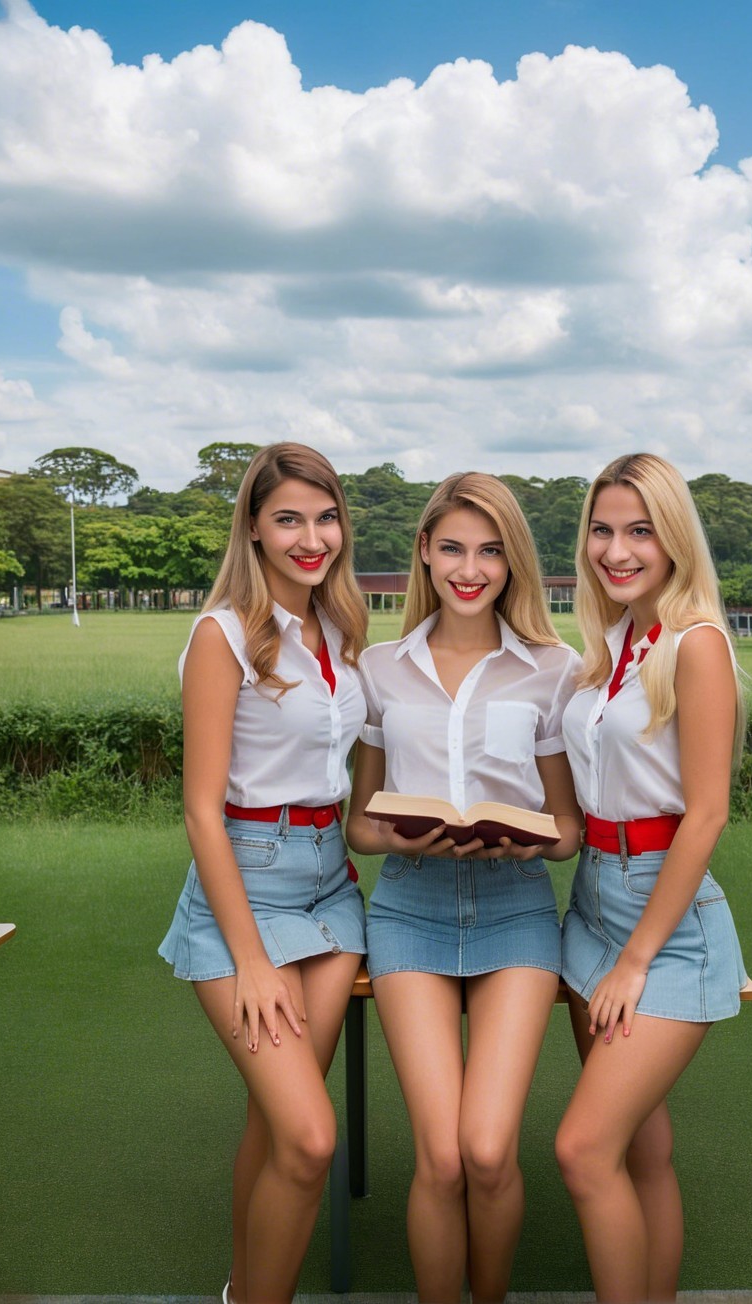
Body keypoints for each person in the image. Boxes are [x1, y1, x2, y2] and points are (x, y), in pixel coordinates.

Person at [347, 472, 583, 1304]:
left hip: (516, 910)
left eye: (489, 551)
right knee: (441, 1157)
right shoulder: (380, 667)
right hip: (410, 904)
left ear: (513, 562)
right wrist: (414, 830)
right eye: (452, 547)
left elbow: (568, 832)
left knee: (487, 1150)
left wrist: (515, 839)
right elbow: (360, 825)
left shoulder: (554, 671)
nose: (469, 568)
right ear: (424, 552)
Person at [158, 442, 369, 1304]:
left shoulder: (339, 627)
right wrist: (248, 957)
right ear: (252, 526)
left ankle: (241, 1287)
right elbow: (202, 810)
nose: (310, 537)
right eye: (288, 518)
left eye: (324, 518)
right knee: (313, 1138)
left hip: (333, 885)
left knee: (279, 1122)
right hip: (244, 885)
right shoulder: (222, 635)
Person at [555, 452, 748, 1304]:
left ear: (675, 540)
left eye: (640, 531)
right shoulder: (612, 645)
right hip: (590, 901)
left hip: (658, 925)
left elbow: (704, 816)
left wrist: (637, 958)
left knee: (582, 1149)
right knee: (641, 1148)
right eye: (602, 530)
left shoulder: (695, 644)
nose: (617, 550)